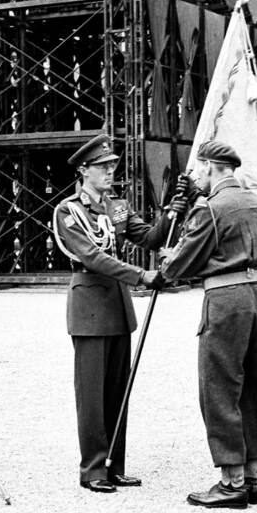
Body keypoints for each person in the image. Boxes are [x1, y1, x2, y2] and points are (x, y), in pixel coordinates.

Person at [52, 134, 183, 493]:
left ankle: (114, 464)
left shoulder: (118, 207)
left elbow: (152, 238)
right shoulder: (69, 210)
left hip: (117, 307)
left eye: (112, 166)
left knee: (117, 391)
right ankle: (93, 469)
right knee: (92, 395)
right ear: (84, 170)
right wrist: (142, 275)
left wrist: (174, 210)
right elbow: (93, 257)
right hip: (90, 307)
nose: (111, 171)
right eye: (102, 166)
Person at [160, 141, 257, 509]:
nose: (197, 176)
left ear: (210, 166)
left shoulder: (209, 208)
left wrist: (166, 261)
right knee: (251, 389)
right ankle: (251, 477)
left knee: (220, 389)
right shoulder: (255, 200)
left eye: (200, 169)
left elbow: (182, 262)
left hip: (225, 301)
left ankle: (232, 482)